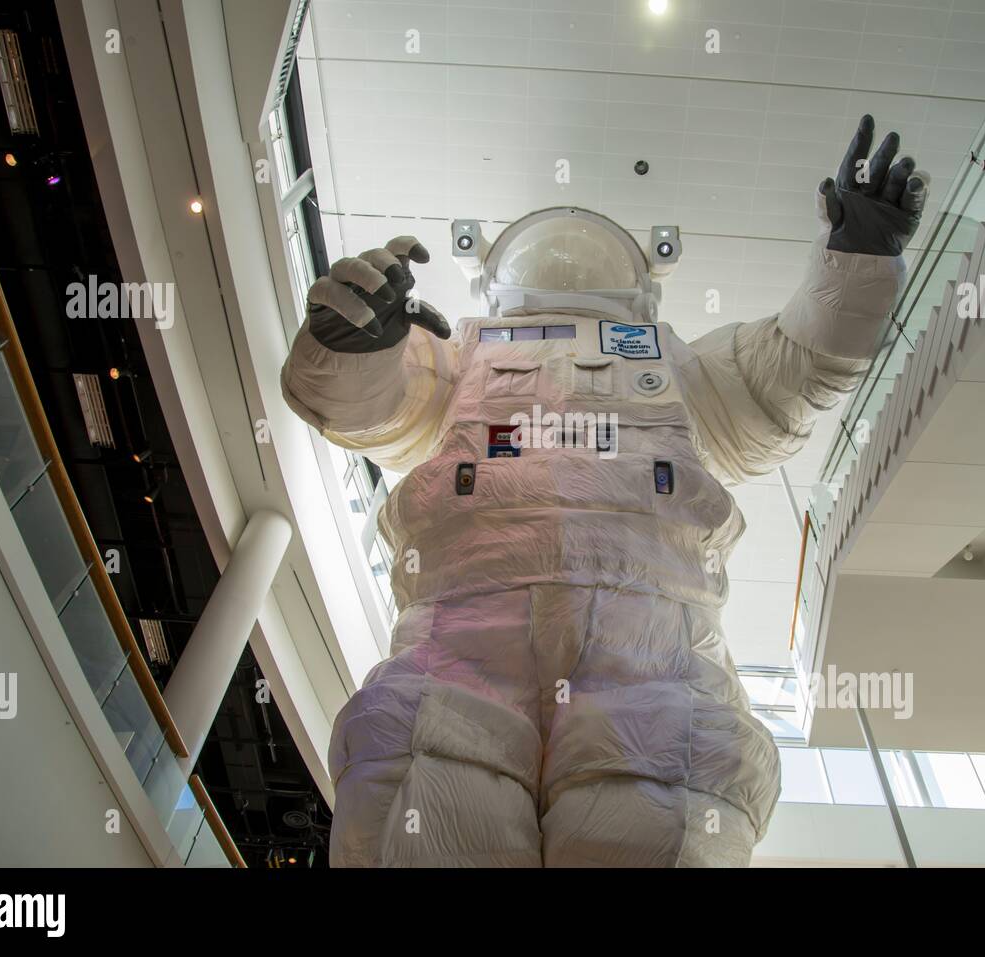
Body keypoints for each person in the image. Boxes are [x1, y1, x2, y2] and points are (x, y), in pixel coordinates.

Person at [281, 115, 928, 866]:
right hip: (599, 616)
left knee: (441, 788)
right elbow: (361, 404)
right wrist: (352, 342)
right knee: (486, 795)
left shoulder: (670, 363)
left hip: (556, 616)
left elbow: (790, 366)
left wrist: (853, 262)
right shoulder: (457, 353)